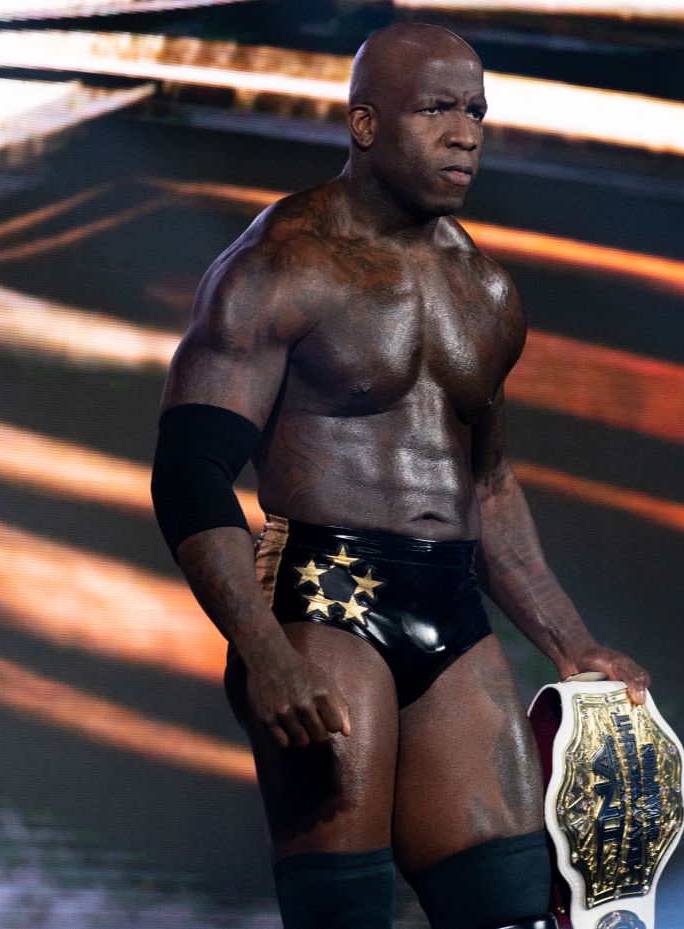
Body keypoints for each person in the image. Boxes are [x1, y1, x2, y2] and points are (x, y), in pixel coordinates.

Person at [151, 22, 651, 929]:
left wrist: (572, 643)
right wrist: (263, 652)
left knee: (510, 909)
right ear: (366, 124)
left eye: (476, 112)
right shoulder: (281, 264)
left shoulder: (486, 290)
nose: (465, 134)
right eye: (436, 109)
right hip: (320, 598)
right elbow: (189, 472)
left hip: (447, 602)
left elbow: (487, 488)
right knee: (344, 916)